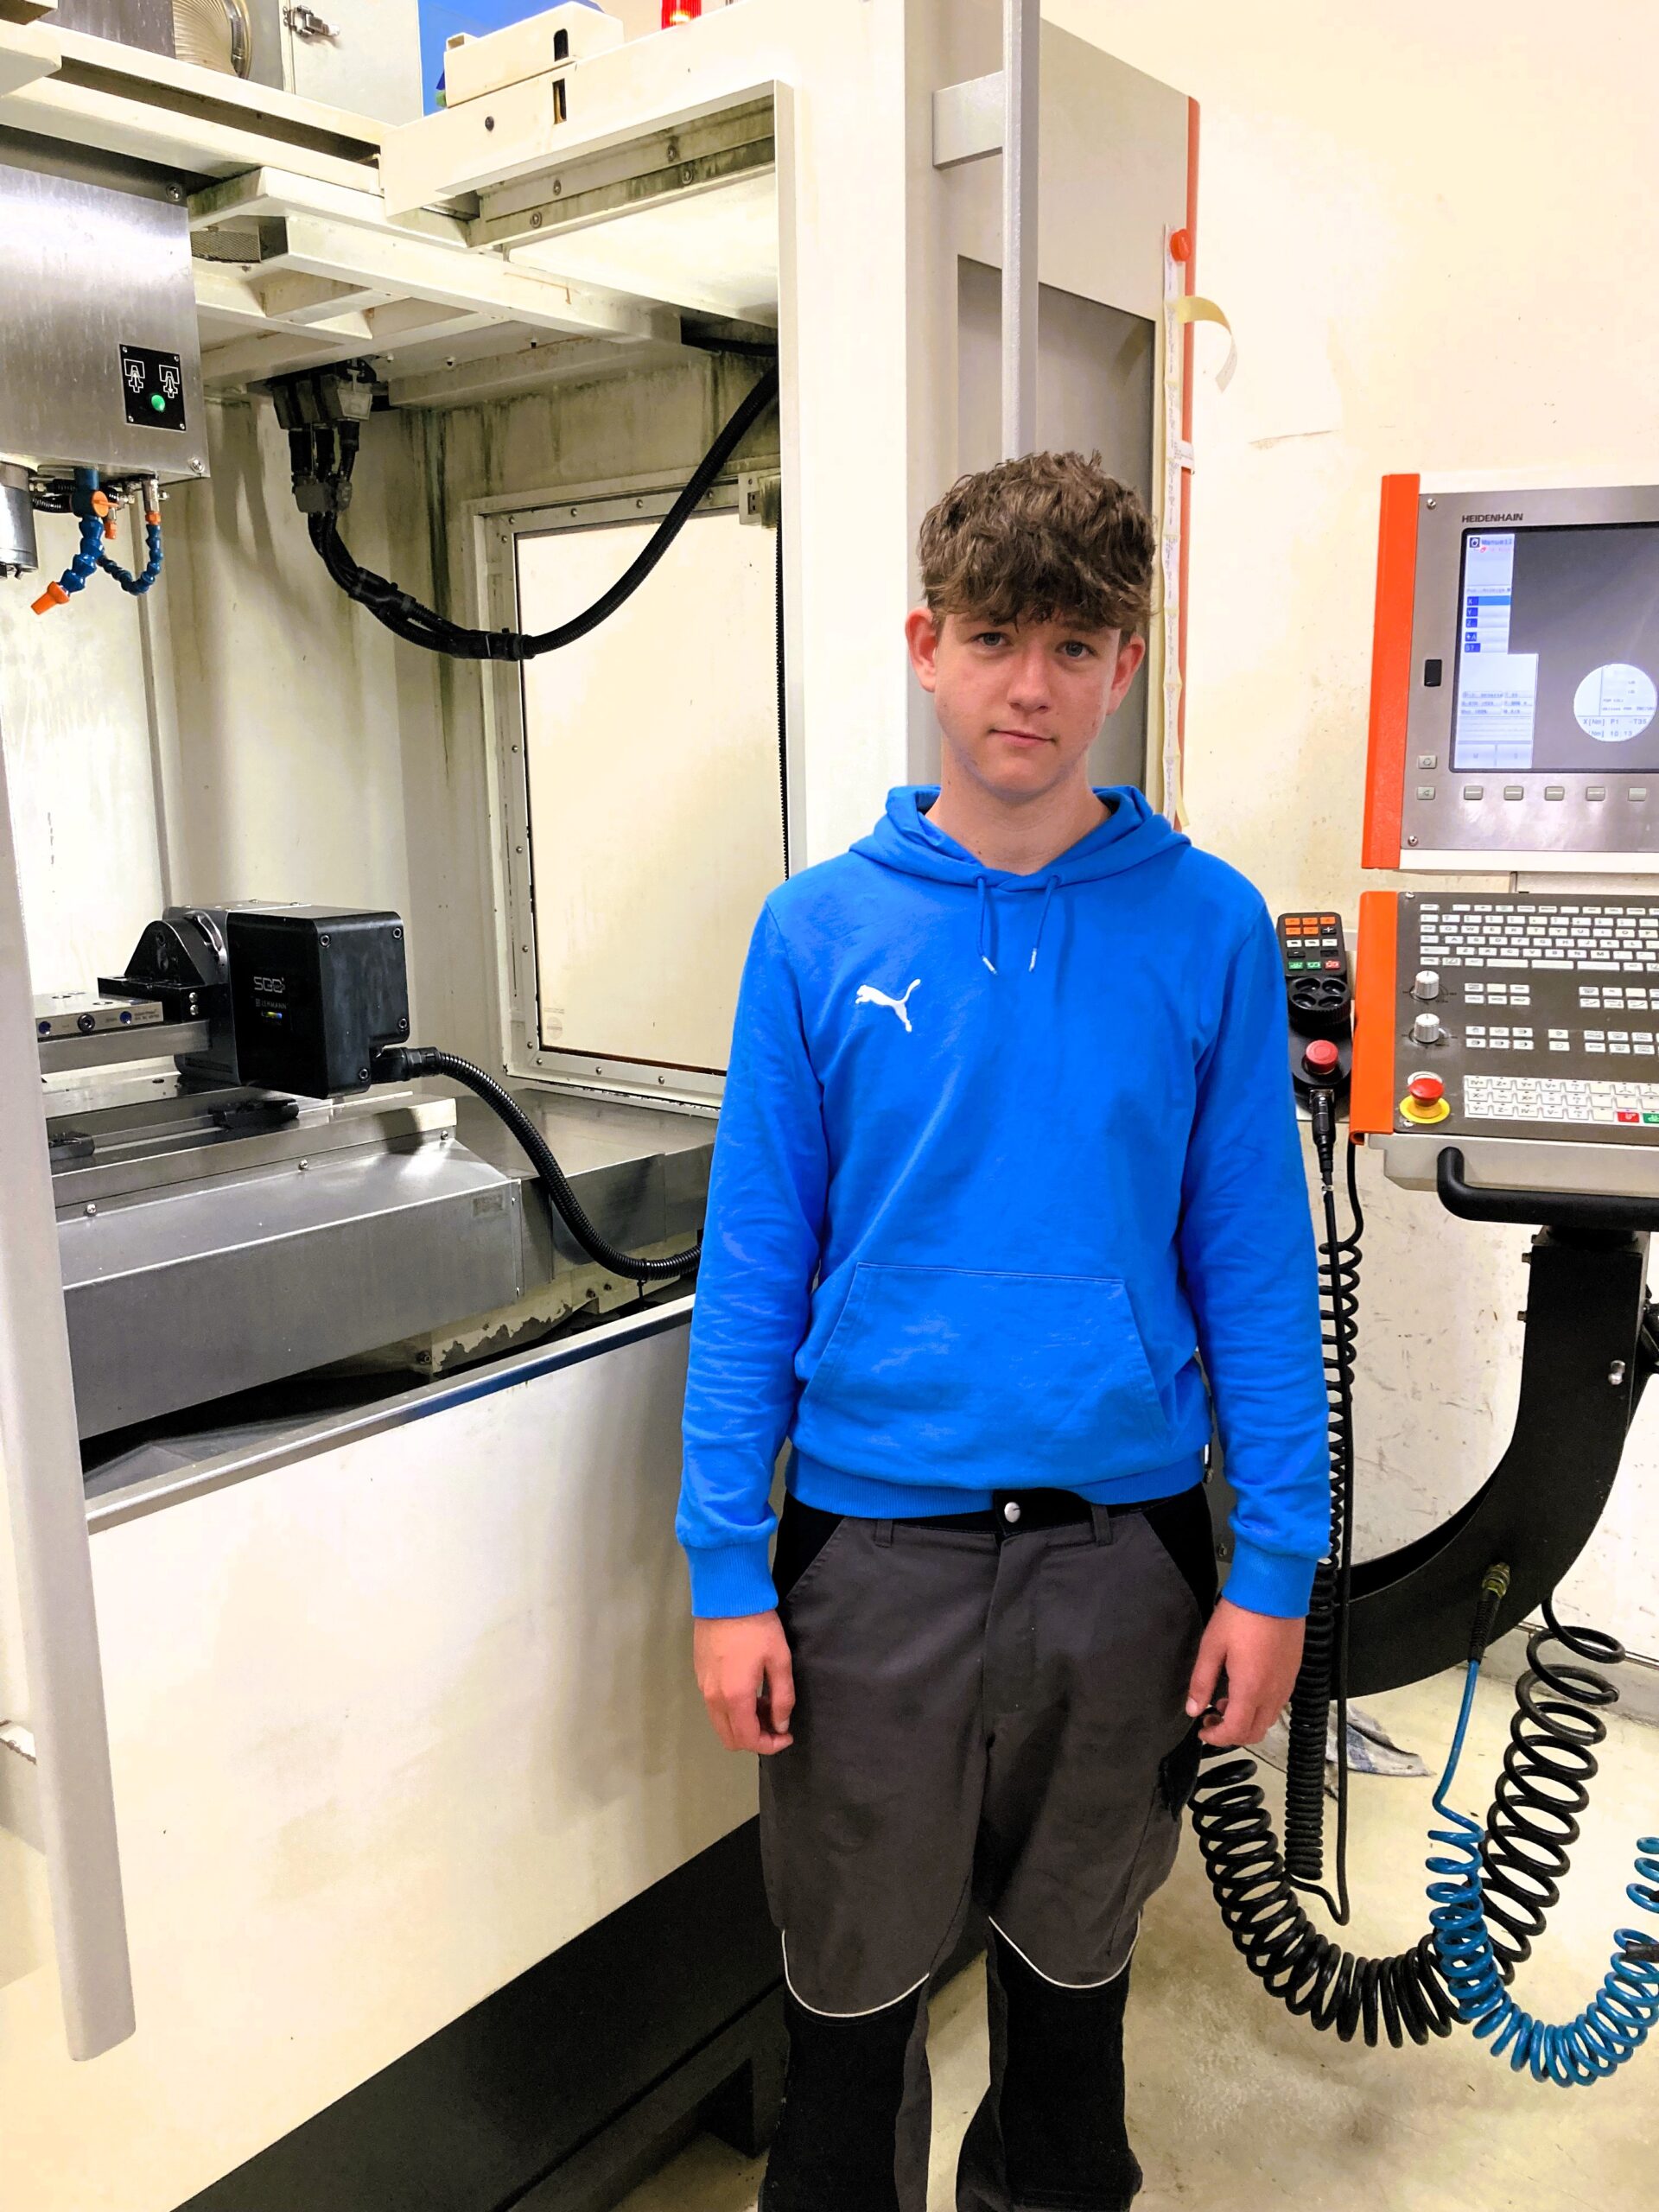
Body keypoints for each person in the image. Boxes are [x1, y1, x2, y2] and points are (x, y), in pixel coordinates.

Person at [676, 452, 1329, 2212]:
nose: (1029, 685)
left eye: (1074, 643)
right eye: (992, 638)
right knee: (848, 2014)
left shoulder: (1207, 926)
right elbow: (754, 1270)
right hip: (869, 1559)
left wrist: (1275, 1565)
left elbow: (1256, 1268)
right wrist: (727, 1567)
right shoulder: (816, 933)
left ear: (1126, 662)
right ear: (926, 646)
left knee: (1071, 2015)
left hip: (1121, 1564)